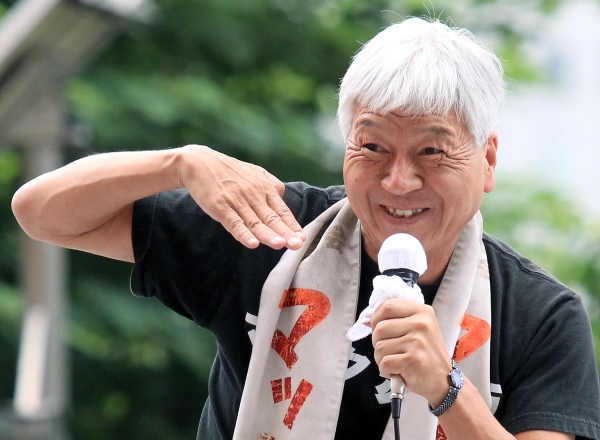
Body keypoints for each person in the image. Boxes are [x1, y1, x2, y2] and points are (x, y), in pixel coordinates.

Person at [11, 17, 600, 440]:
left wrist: (446, 388)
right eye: (373, 147)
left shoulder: (540, 314)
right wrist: (179, 163)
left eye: (431, 151)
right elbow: (39, 212)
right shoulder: (272, 231)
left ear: (488, 161)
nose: (398, 181)